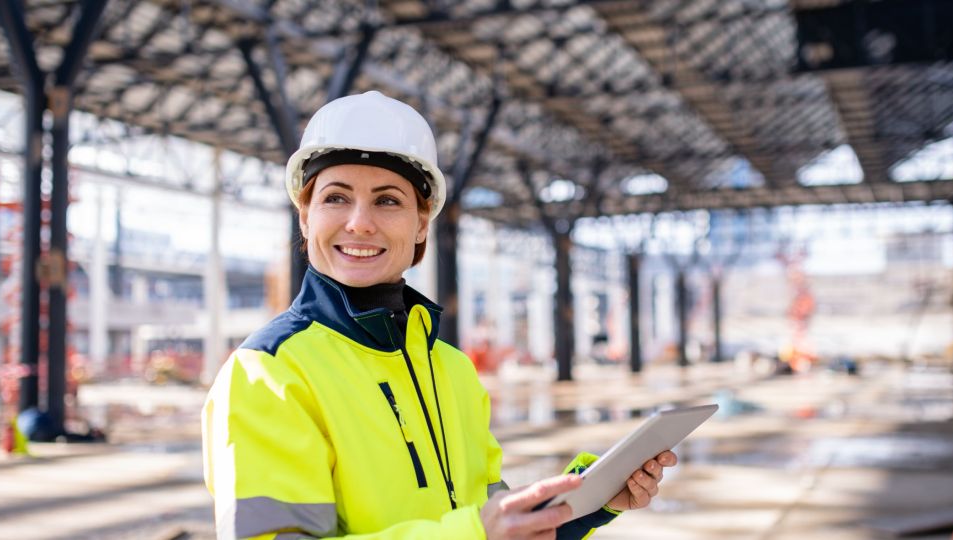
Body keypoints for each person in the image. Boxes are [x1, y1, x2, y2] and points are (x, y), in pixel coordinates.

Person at [202, 90, 678, 539]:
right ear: (305, 217)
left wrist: (582, 503)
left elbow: (487, 510)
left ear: (420, 223)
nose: (360, 222)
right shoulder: (268, 373)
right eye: (335, 197)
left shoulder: (451, 369)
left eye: (388, 200)